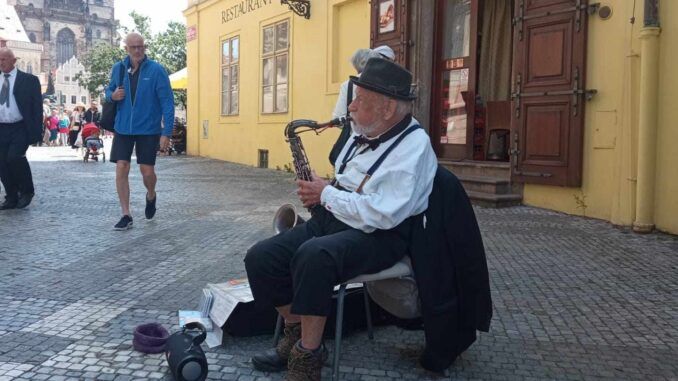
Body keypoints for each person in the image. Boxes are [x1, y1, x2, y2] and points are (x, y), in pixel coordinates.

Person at [244, 58, 437, 381]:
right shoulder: (361, 130)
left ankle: (308, 357)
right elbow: (351, 181)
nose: (351, 105)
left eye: (360, 99)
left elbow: (383, 213)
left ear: (387, 109)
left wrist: (327, 195)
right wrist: (325, 188)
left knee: (314, 256)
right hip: (339, 218)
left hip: (381, 234)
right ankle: (294, 334)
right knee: (261, 258)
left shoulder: (415, 148)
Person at [105, 32, 174, 230]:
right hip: (123, 127)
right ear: (126, 48)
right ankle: (126, 214)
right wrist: (113, 95)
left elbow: (168, 103)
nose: (138, 51)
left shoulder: (156, 70)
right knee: (122, 166)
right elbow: (108, 91)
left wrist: (166, 133)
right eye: (133, 47)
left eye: (140, 47)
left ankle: (151, 194)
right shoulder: (118, 69)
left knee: (147, 172)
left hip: (148, 128)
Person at [329, 46, 395, 165]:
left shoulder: (347, 85)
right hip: (383, 146)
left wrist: (357, 128)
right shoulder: (389, 84)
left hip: (355, 146)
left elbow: (338, 117)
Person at [0, 48, 42, 210]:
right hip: (1, 126)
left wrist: (36, 132)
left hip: (20, 126)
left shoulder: (29, 80)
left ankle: (26, 191)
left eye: (4, 59)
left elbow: (36, 108)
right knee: (2, 162)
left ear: (13, 61)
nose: (1, 62)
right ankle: (11, 196)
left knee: (15, 157)